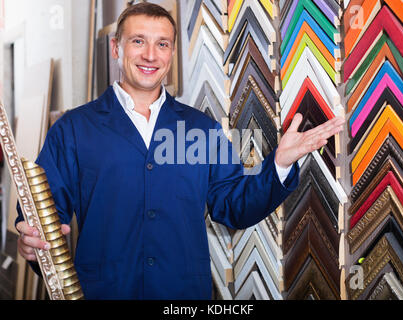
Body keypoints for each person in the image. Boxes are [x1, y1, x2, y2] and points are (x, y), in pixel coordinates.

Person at [15, 3, 344, 299]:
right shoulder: (73, 129)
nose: (150, 55)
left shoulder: (201, 129)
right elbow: (42, 216)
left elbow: (235, 207)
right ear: (117, 48)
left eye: (162, 44)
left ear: (171, 54)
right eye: (138, 41)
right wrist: (34, 242)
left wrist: (281, 164)